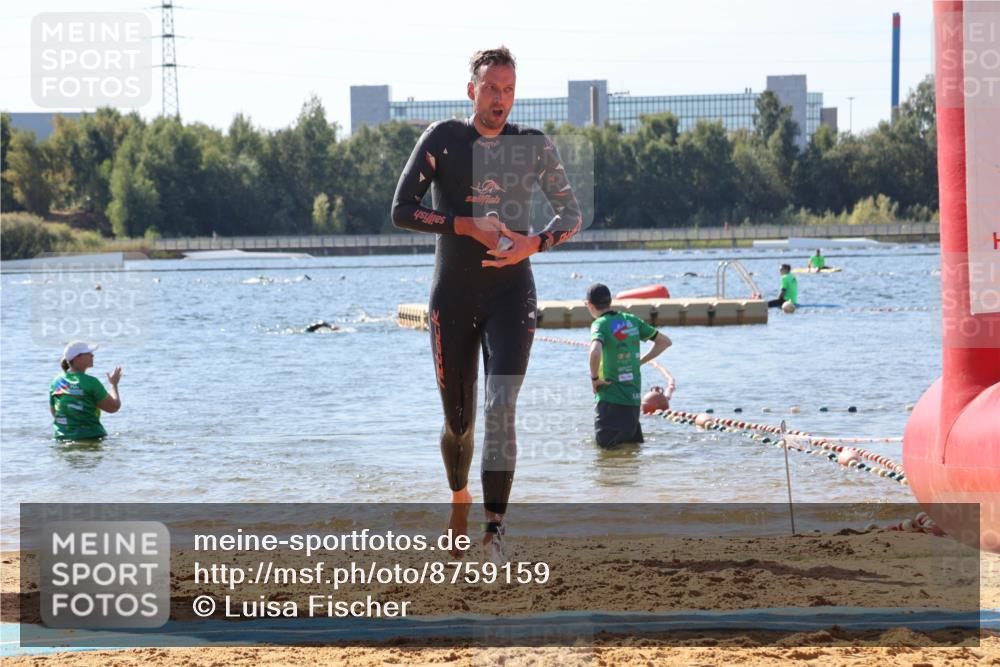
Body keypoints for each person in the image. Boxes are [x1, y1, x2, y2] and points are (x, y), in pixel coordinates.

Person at [390, 46, 583, 561]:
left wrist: (532, 243)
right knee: (459, 421)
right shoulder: (444, 140)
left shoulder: (533, 145)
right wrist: (463, 224)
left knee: (502, 406)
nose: (501, 99)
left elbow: (571, 217)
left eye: (510, 89)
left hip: (510, 292)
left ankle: (495, 530)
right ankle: (459, 496)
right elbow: (401, 210)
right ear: (471, 89)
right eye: (492, 88)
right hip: (451, 296)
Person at [586, 284, 672, 448]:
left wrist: (594, 379)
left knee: (606, 457)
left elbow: (595, 352)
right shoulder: (632, 320)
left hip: (610, 399)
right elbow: (665, 342)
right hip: (632, 401)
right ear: (610, 301)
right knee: (631, 454)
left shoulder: (600, 324)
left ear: (590, 305)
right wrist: (640, 362)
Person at [49, 341, 122, 440]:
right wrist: (114, 384)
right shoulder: (91, 382)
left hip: (61, 437)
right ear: (77, 357)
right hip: (91, 437)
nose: (92, 355)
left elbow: (55, 413)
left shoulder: (56, 381)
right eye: (88, 353)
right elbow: (113, 407)